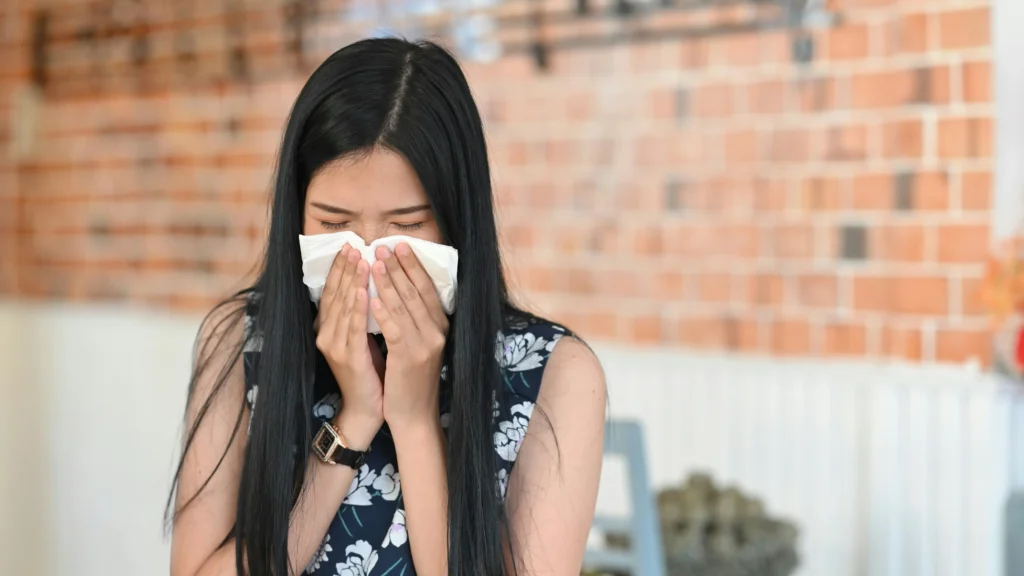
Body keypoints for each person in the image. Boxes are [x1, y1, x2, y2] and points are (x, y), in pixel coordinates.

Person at [167, 38, 606, 576]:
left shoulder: (555, 374)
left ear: (457, 220)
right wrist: (352, 423)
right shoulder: (239, 342)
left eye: (407, 225)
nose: (370, 256)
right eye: (333, 224)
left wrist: (416, 420)